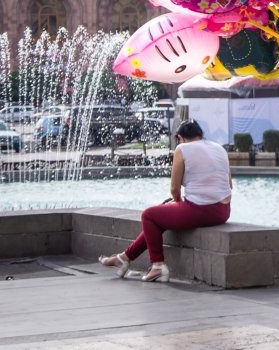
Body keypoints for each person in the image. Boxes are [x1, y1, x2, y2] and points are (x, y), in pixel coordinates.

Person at [98, 119, 232, 282]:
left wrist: (177, 203)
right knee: (160, 218)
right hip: (223, 211)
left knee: (149, 215)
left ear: (180, 138)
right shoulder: (219, 148)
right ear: (201, 135)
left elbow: (175, 189)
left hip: (201, 211)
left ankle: (158, 266)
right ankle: (123, 258)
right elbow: (229, 185)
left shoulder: (182, 149)